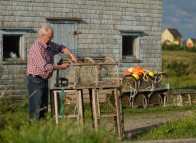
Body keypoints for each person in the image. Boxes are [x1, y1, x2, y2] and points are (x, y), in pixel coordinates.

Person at [26, 25, 77, 121]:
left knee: (44, 109)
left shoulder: (49, 45)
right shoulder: (37, 48)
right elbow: (44, 67)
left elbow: (61, 47)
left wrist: (71, 55)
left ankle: (42, 132)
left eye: (52, 37)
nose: (51, 39)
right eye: (50, 37)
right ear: (42, 35)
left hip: (43, 80)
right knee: (36, 110)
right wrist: (60, 67)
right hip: (35, 81)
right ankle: (33, 132)